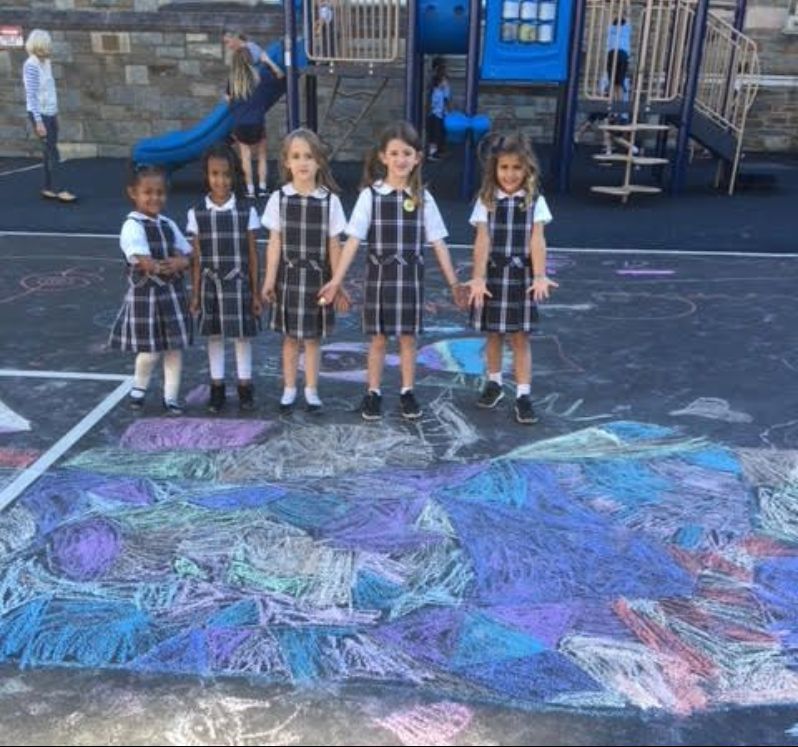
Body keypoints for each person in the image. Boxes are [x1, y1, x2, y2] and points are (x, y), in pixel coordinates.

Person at [318, 122, 467, 422]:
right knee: (378, 339)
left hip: (409, 282)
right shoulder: (370, 197)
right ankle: (373, 392)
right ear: (383, 157)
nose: (401, 159)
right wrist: (336, 280)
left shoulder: (423, 199)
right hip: (380, 281)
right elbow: (353, 241)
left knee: (408, 339)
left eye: (407, 153)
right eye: (394, 153)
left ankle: (407, 391)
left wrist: (454, 283)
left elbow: (438, 242)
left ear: (417, 158)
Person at [466, 134, 558, 425]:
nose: (510, 174)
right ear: (494, 169)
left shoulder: (534, 202)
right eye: (504, 167)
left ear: (527, 170)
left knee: (520, 337)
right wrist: (478, 278)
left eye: (517, 168)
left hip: (520, 277)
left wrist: (540, 274)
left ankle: (523, 394)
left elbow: (537, 240)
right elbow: (482, 240)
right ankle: (494, 384)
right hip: (493, 276)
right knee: (493, 333)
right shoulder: (486, 200)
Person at [261, 129, 349, 414]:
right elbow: (275, 243)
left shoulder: (329, 201)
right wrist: (269, 278)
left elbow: (334, 246)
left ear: (319, 161)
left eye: (309, 156)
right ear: (286, 162)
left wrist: (337, 282)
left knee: (312, 338)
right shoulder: (279, 199)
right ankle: (289, 389)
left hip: (317, 281)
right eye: (296, 156)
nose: (303, 163)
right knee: (289, 338)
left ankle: (311, 389)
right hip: (288, 278)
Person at [108, 165, 193, 415]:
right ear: (133, 193)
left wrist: (182, 262)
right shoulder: (132, 226)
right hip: (147, 296)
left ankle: (171, 397)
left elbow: (188, 253)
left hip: (172, 295)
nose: (154, 197)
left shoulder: (167, 224)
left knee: (174, 348)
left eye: (160, 192)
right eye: (148, 192)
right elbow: (143, 260)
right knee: (150, 350)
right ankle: (139, 387)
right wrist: (161, 266)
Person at [187, 143, 262, 413]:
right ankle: (216, 387)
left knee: (242, 336)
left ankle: (245, 386)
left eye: (227, 174)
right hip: (210, 285)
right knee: (214, 336)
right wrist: (195, 294)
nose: (221, 180)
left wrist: (255, 292)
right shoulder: (196, 213)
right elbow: (196, 259)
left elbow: (253, 255)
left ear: (235, 176)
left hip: (239, 284)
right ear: (207, 175)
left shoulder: (246, 212)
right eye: (215, 174)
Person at [22, 29, 76, 203]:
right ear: (41, 44)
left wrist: (55, 115)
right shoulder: (31, 65)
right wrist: (39, 122)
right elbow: (32, 95)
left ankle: (48, 188)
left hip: (50, 112)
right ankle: (60, 189)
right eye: (48, 43)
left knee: (48, 152)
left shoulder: (46, 63)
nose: (50, 46)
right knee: (53, 153)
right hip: (40, 114)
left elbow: (50, 91)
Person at [227, 47, 284, 199]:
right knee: (262, 156)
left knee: (245, 157)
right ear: (250, 59)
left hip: (241, 124)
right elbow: (280, 75)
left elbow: (228, 99)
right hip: (257, 122)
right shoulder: (260, 76)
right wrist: (268, 61)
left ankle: (250, 190)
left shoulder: (233, 80)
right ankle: (263, 188)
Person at [426, 57, 450, 161]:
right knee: (435, 132)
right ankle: (433, 153)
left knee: (437, 132)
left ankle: (436, 151)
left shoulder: (438, 80)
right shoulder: (438, 81)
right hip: (437, 111)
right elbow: (446, 97)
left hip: (437, 110)